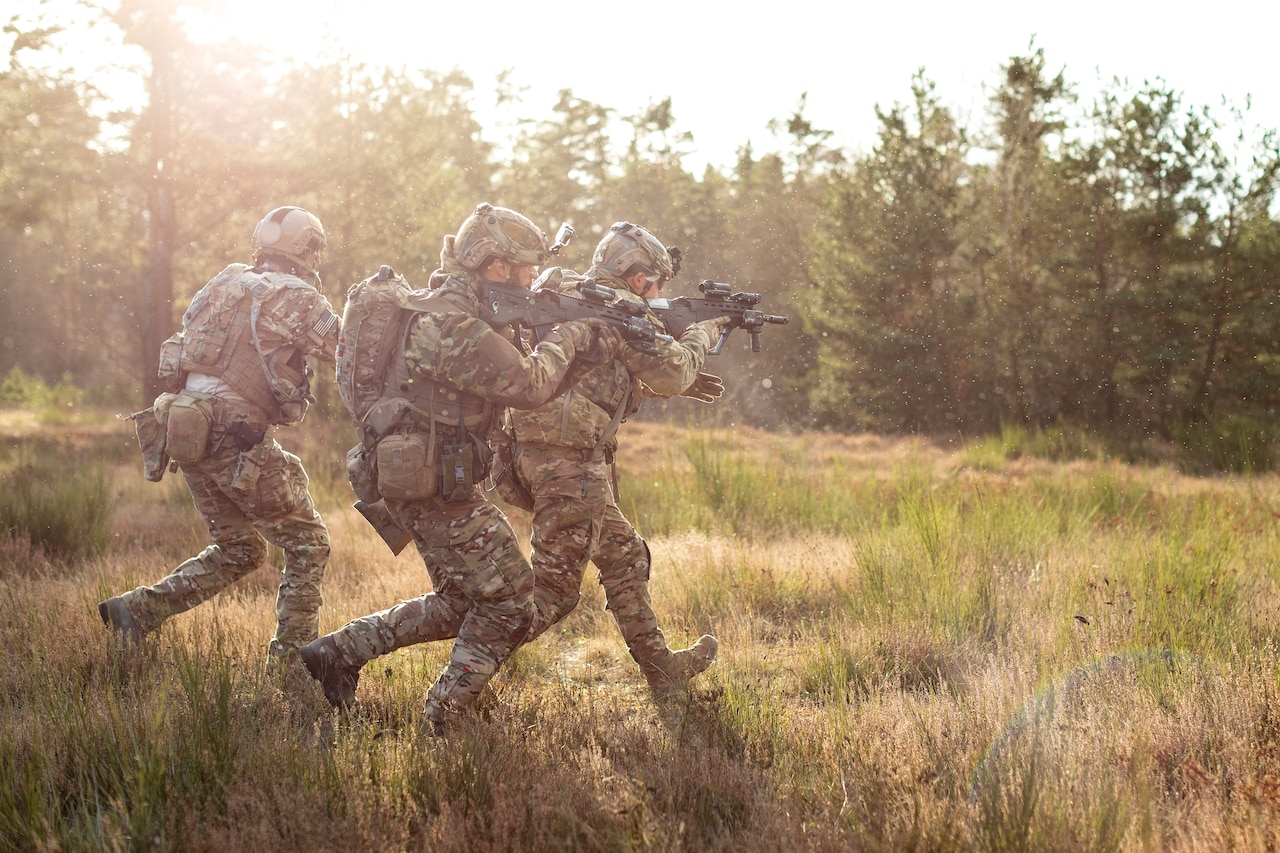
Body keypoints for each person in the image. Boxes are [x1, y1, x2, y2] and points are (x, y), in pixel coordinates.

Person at [299, 202, 617, 732]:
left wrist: (582, 339)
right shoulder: (448, 325)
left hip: (427, 478)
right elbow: (530, 386)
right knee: (513, 600)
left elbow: (522, 385)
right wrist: (571, 334)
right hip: (433, 484)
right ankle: (447, 711)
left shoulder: (456, 312)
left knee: (460, 602)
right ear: (495, 267)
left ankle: (337, 653)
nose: (532, 279)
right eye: (526, 269)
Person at [99, 206, 339, 674]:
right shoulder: (297, 296)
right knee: (309, 544)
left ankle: (137, 611)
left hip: (186, 429)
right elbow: (349, 354)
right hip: (235, 435)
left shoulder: (224, 282)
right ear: (305, 250)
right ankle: (291, 668)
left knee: (240, 550)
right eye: (313, 249)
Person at [503, 222, 729, 698]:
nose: (661, 291)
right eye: (656, 281)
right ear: (635, 275)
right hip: (569, 466)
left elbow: (593, 373)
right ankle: (438, 664)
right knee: (550, 597)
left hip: (543, 456)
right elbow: (673, 370)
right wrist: (704, 334)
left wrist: (659, 379)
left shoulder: (567, 291)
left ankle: (661, 670)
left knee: (625, 556)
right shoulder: (620, 309)